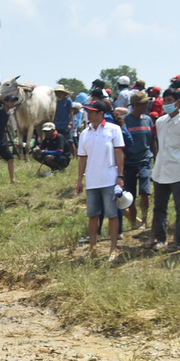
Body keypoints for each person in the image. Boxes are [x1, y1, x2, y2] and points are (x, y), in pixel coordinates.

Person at [149, 89, 180, 252]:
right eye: (164, 100)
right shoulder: (160, 122)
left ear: (178, 102)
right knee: (159, 208)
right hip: (161, 170)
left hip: (179, 171)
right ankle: (161, 239)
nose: (166, 104)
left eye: (169, 100)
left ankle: (179, 241)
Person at [76, 100, 126, 260]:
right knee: (93, 215)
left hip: (109, 179)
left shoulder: (114, 130)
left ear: (100, 114)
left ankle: (113, 248)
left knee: (112, 214)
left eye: (91, 112)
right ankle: (93, 247)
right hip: (92, 180)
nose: (88, 114)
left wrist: (120, 176)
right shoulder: (85, 133)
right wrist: (79, 180)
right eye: (88, 111)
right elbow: (82, 159)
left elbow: (119, 154)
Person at [121, 91, 154, 232]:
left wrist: (156, 157)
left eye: (146, 103)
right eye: (142, 104)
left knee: (144, 191)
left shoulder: (148, 120)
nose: (146, 106)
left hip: (145, 159)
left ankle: (145, 219)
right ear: (134, 105)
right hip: (129, 162)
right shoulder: (126, 121)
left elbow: (152, 141)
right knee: (130, 195)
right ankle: (134, 221)